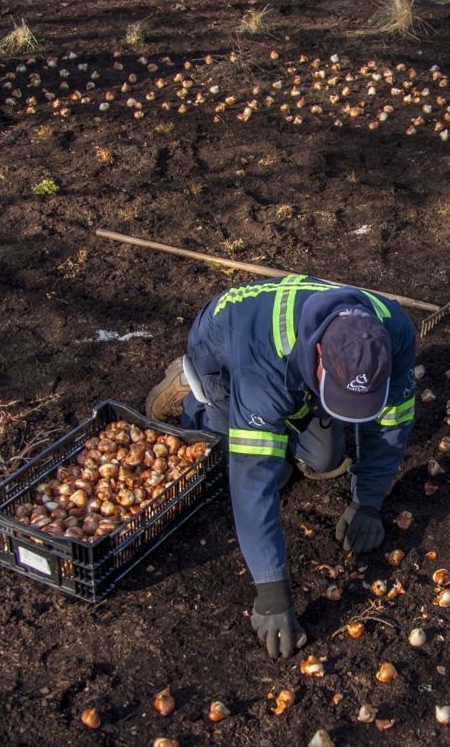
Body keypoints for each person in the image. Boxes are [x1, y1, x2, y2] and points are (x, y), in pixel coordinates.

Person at [144, 275, 417, 659]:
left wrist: (368, 501)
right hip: (224, 348)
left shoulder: (394, 330)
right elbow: (251, 481)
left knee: (323, 459)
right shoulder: (263, 360)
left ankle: (289, 414)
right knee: (258, 467)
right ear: (320, 354)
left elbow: (393, 423)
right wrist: (272, 590)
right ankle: (192, 393)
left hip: (289, 369)